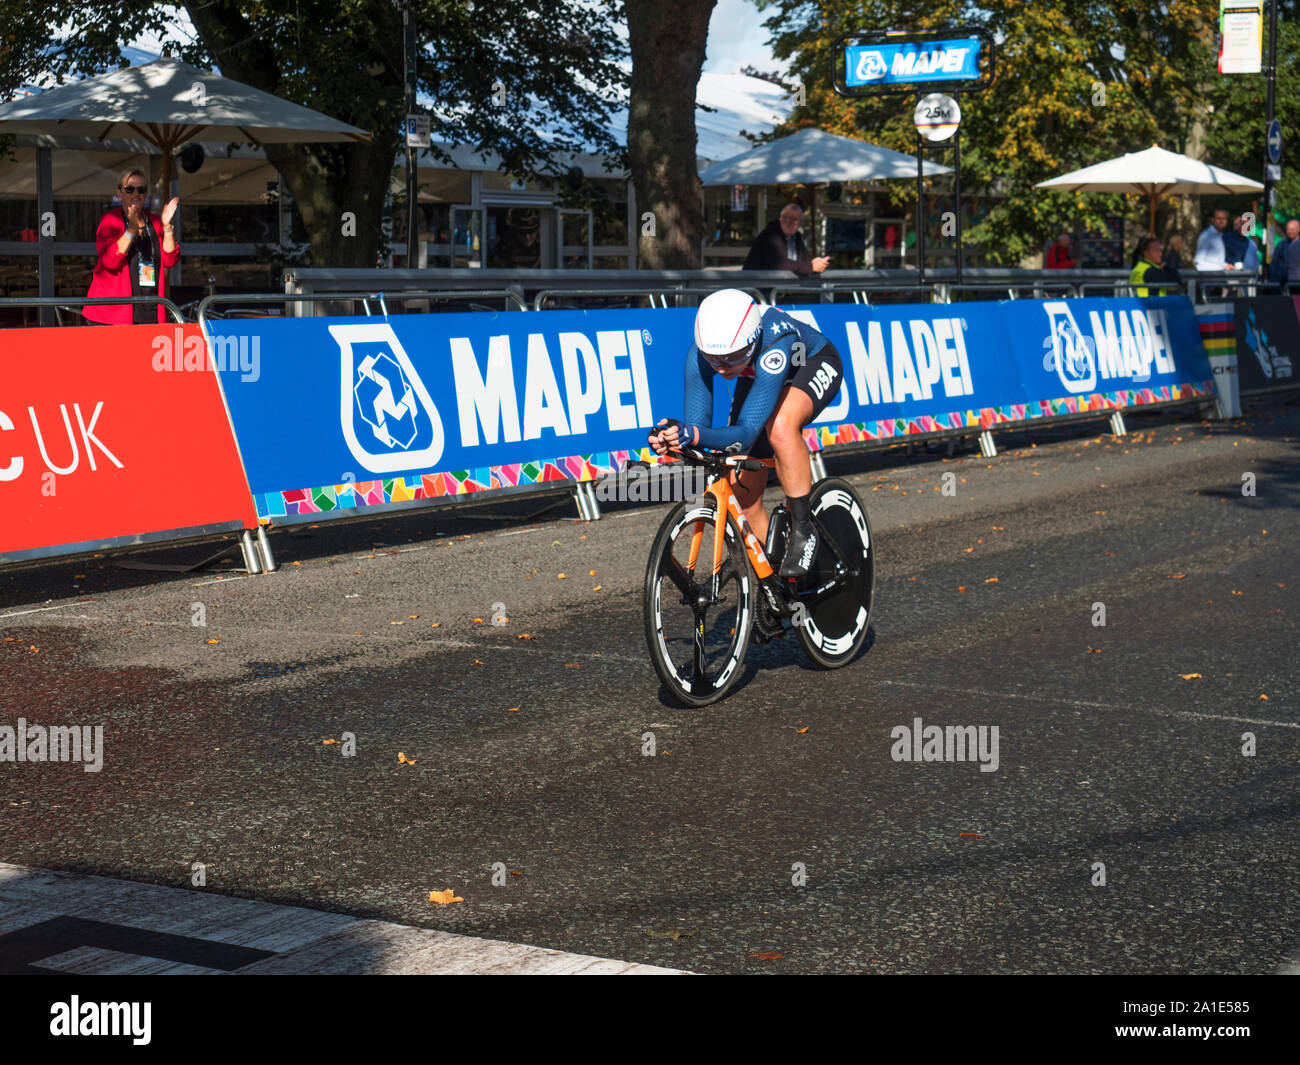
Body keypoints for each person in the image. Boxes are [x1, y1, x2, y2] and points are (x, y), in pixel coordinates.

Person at [647, 289, 843, 591]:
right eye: (714, 360)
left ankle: (804, 528)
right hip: (757, 377)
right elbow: (699, 431)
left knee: (779, 426)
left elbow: (748, 431)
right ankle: (775, 585)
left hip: (812, 363)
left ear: (753, 340)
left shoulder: (775, 340)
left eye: (733, 357)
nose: (723, 367)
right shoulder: (701, 354)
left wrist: (693, 434)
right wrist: (675, 436)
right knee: (743, 496)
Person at [85, 167, 180, 324]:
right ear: (119, 193)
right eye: (129, 189)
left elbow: (170, 261)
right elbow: (110, 261)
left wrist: (167, 227)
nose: (136, 194)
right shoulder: (111, 220)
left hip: (150, 311)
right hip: (112, 315)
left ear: (146, 194)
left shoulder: (155, 222)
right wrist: (131, 229)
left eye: (141, 189)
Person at [743, 203, 830, 275]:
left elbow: (804, 259)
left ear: (799, 223)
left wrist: (818, 263)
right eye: (786, 218)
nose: (789, 222)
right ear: (780, 219)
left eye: (794, 219)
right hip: (758, 288)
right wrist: (810, 266)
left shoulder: (797, 237)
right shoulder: (770, 235)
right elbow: (780, 263)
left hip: (782, 289)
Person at [1194, 205, 1236, 272]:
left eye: (1224, 218)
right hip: (1209, 280)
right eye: (1219, 218)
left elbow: (1217, 260)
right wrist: (1223, 267)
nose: (1222, 221)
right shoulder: (1206, 236)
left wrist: (1226, 265)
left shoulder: (1221, 236)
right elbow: (1198, 262)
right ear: (1212, 220)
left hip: (1220, 278)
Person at [1268, 218, 1300, 291]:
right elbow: (1274, 264)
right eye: (1288, 229)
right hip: (1282, 283)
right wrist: (1271, 283)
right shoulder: (1281, 245)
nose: (1289, 232)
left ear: (1298, 229)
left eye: (1292, 229)